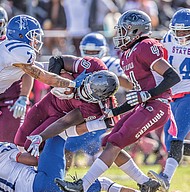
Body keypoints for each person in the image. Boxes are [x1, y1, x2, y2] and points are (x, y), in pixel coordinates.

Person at [53, 9, 181, 192]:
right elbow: (136, 95)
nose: (119, 34)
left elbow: (173, 77)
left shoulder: (146, 46)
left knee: (116, 142)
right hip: (145, 105)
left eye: (123, 30)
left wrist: (149, 93)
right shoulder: (127, 55)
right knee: (107, 141)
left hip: (158, 105)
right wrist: (113, 112)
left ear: (136, 30)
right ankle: (146, 184)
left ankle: (82, 186)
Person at [0, 139, 181, 192]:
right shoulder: (3, 149)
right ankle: (96, 135)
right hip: (43, 186)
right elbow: (34, 160)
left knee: (102, 182)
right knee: (56, 135)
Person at [14, 55, 119, 152]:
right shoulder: (93, 65)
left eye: (88, 95)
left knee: (29, 145)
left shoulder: (93, 108)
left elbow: (65, 122)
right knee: (19, 139)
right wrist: (56, 85)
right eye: (84, 87)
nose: (83, 93)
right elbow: (57, 60)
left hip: (58, 115)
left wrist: (41, 137)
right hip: (48, 101)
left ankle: (37, 170)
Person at [64, 32, 131, 169]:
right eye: (88, 52)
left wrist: (111, 80)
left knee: (108, 147)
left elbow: (130, 84)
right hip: (84, 113)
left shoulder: (111, 63)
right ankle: (63, 179)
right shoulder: (77, 64)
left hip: (105, 114)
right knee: (67, 147)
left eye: (95, 52)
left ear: (103, 51)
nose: (91, 55)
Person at [147, 8, 190, 192]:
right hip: (172, 96)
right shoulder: (167, 39)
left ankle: (166, 178)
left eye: (184, 31)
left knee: (176, 137)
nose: (180, 34)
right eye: (177, 30)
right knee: (169, 140)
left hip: (188, 93)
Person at [0, 14, 77, 107]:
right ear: (20, 35)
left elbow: (40, 67)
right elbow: (44, 77)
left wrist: (68, 66)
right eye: (33, 36)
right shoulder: (19, 52)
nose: (36, 41)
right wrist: (73, 84)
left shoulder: (9, 49)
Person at [0, 7, 34, 142]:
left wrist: (23, 97)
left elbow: (29, 72)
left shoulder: (12, 45)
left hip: (11, 98)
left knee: (10, 142)